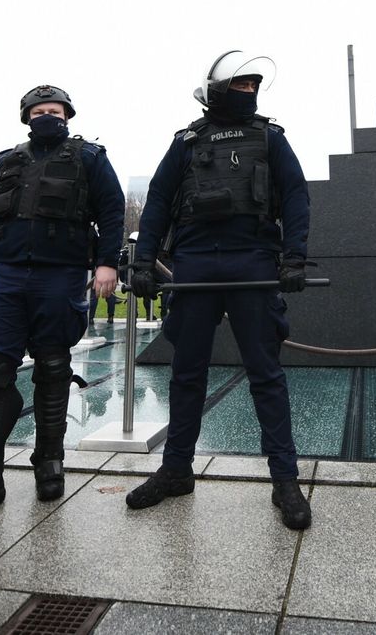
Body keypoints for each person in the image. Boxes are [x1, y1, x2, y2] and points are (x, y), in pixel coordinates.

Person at [126, 51, 312, 530]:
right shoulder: (186, 142)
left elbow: (295, 196)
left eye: (254, 86)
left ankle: (285, 480)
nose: (248, 93)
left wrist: (294, 256)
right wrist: (143, 261)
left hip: (252, 262)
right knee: (186, 374)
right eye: (240, 85)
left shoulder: (270, 137)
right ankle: (175, 471)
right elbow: (159, 202)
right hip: (193, 266)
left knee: (265, 375)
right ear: (217, 88)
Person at [0, 84, 124, 525]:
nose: (46, 116)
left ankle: (49, 460)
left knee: (53, 368)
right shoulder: (6, 161)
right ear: (26, 117)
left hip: (62, 276)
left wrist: (107, 264)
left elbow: (112, 213)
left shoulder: (90, 158)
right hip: (9, 276)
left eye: (54, 110)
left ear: (67, 116)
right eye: (38, 111)